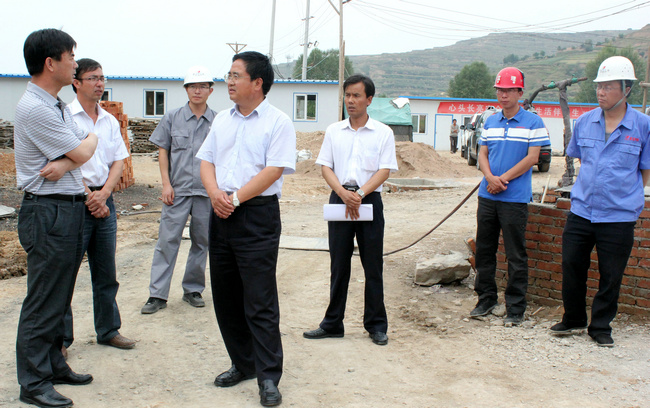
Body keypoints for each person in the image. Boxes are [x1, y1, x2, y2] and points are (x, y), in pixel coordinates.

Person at [197, 51, 295, 407]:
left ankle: (268, 377)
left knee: (259, 299)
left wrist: (235, 198)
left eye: (236, 75)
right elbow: (206, 160)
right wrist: (215, 194)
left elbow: (274, 169)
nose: (229, 81)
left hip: (256, 215)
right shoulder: (222, 119)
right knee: (225, 297)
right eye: (229, 74)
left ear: (257, 82)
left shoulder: (278, 122)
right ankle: (243, 363)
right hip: (220, 212)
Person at [14, 28, 98, 408]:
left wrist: (65, 162)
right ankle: (33, 382)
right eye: (71, 56)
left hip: (66, 206)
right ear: (51, 63)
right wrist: (75, 155)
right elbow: (83, 150)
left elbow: (89, 141)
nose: (75, 64)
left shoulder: (56, 104)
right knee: (44, 298)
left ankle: (52, 364)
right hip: (47, 210)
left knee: (59, 296)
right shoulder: (35, 107)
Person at [550, 56, 650, 347]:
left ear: (626, 89)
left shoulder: (643, 126)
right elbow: (582, 159)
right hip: (582, 210)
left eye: (608, 86)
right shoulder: (585, 122)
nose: (601, 92)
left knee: (611, 274)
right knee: (572, 265)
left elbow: (645, 171)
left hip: (618, 215)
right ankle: (573, 318)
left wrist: (625, 195)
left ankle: (601, 326)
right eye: (599, 86)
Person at [303, 74, 398, 346]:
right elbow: (325, 166)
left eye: (356, 95)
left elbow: (385, 169)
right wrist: (344, 194)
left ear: (369, 99)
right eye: (347, 95)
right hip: (340, 200)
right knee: (338, 264)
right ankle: (332, 323)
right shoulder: (334, 131)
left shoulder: (383, 132)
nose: (351, 100)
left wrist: (360, 194)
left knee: (373, 265)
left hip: (369, 201)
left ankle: (376, 325)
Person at [62, 58, 135, 354]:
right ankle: (61, 339)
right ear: (76, 82)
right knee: (66, 274)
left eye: (102, 78)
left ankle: (108, 330)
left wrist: (103, 194)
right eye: (92, 78)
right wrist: (89, 197)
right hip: (74, 201)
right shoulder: (65, 117)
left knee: (106, 272)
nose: (99, 83)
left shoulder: (108, 120)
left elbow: (118, 160)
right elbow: (64, 162)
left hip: (105, 200)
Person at [469, 67, 550, 326]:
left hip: (514, 198)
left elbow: (532, 158)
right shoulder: (490, 121)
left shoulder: (533, 122)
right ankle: (486, 298)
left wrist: (502, 179)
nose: (503, 95)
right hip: (488, 196)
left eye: (509, 90)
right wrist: (489, 177)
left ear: (520, 92)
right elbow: (482, 153)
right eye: (500, 90)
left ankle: (515, 306)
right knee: (485, 250)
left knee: (515, 254)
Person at [141, 66, 216, 314]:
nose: (197, 90)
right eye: (193, 86)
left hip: (206, 193)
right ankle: (157, 295)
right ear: (186, 90)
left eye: (202, 86)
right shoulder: (172, 117)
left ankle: (193, 290)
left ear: (211, 90)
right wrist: (166, 184)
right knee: (167, 241)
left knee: (202, 242)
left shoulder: (218, 121)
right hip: (178, 191)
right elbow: (163, 151)